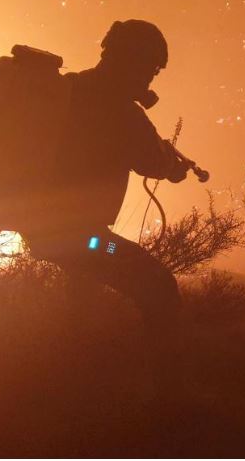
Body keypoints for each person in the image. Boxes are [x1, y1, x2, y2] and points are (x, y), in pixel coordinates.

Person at [20, 20, 191, 392]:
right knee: (158, 284)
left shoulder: (72, 88)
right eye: (151, 68)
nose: (151, 78)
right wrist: (175, 168)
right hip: (87, 239)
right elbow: (154, 163)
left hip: (46, 229)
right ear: (135, 61)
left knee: (84, 294)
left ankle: (76, 382)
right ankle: (169, 397)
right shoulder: (121, 111)